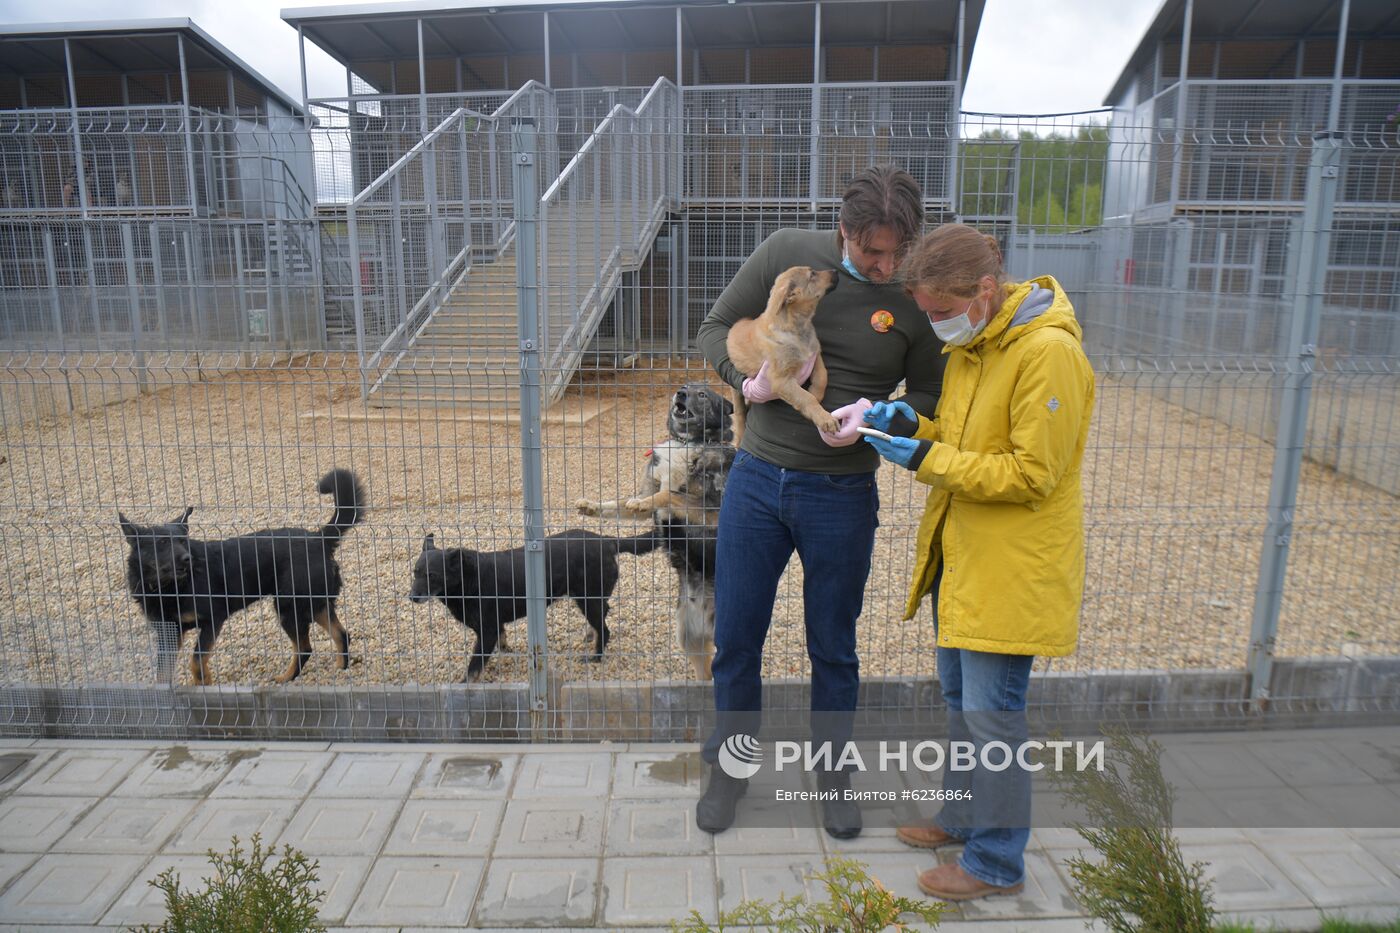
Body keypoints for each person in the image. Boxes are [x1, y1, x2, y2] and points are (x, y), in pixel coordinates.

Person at [694, 165, 945, 839]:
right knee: (737, 640)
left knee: (833, 646)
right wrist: (745, 377)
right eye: (872, 252)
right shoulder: (785, 258)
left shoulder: (912, 299)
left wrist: (886, 411)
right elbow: (714, 327)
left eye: (897, 250)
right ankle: (730, 769)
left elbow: (930, 390)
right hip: (756, 484)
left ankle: (833, 775)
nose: (887, 264)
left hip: (842, 494)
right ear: (843, 231)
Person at [860, 223, 1095, 900]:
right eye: (927, 314)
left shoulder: (1047, 354)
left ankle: (995, 862)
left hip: (1011, 568)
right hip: (964, 559)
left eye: (940, 312)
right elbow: (967, 440)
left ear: (985, 291)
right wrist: (912, 424)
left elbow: (1031, 473)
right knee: (964, 706)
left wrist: (930, 460)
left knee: (995, 718)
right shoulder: (979, 346)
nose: (935, 328)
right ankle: (962, 817)